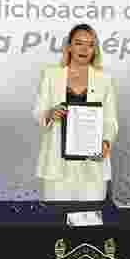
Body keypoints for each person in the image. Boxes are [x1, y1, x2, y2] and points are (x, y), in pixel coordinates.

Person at [34, 23, 117, 201]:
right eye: (79, 43)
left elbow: (110, 121)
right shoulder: (51, 75)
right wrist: (50, 113)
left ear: (95, 50)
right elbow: (39, 112)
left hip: (92, 164)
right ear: (69, 47)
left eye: (90, 44)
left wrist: (106, 143)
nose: (84, 49)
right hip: (57, 163)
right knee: (56, 216)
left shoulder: (105, 79)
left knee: (92, 214)